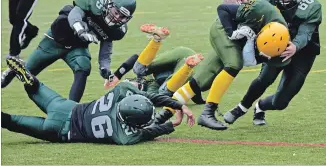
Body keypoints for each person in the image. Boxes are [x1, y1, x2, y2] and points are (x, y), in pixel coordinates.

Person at [154, 0, 291, 130]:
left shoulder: (281, 45)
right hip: (223, 30)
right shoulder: (260, 10)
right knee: (234, 64)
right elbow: (223, 8)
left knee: (201, 82)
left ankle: (160, 117)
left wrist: (254, 46)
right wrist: (231, 32)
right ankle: (208, 112)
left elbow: (250, 60)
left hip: (240, 43)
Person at [1, 56, 195, 145]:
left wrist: (178, 105)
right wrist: (172, 124)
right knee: (14, 122)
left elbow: (150, 96)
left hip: (67, 107)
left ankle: (29, 79)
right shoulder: (123, 136)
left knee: (38, 88)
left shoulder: (121, 91)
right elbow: (150, 132)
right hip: (60, 131)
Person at [224, 0, 322, 126]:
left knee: (281, 103)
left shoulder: (311, 7)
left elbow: (306, 33)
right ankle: (240, 109)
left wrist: (295, 47)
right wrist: (246, 7)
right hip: (275, 45)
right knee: (265, 79)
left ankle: (260, 106)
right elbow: (255, 18)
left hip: (303, 52)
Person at [1, 0, 136, 103]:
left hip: (77, 48)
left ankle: (71, 109)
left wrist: (104, 67)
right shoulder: (93, 1)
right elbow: (74, 14)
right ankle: (10, 72)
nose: (117, 18)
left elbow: (106, 47)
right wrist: (80, 30)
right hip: (55, 40)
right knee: (27, 72)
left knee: (83, 67)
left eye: (122, 17)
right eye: (116, 12)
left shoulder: (117, 31)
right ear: (108, 3)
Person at [104, 24, 205, 104]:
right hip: (189, 66)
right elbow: (193, 86)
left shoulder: (142, 76)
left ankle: (157, 38)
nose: (132, 84)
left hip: (181, 56)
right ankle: (188, 66)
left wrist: (117, 75)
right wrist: (199, 99)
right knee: (163, 93)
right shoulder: (149, 92)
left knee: (139, 69)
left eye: (128, 83)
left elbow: (135, 58)